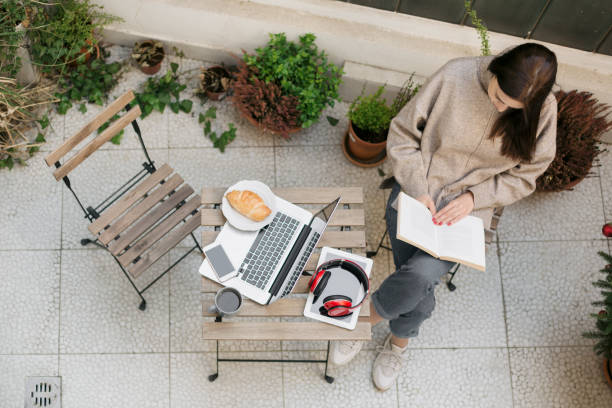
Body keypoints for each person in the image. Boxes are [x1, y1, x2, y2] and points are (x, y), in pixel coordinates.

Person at [330, 43, 558, 390]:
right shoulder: (455, 75)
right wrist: (419, 188)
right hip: (417, 192)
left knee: (420, 274)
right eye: (498, 97)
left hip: (470, 213)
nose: (499, 108)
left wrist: (473, 198)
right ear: (495, 69)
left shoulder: (543, 112)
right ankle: (398, 345)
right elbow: (403, 135)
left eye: (511, 108)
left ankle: (363, 322)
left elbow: (526, 176)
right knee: (419, 286)